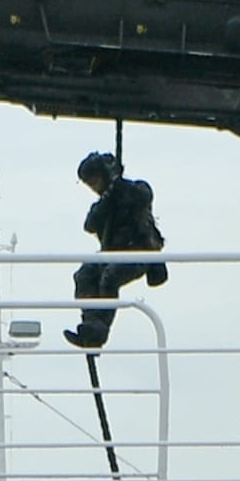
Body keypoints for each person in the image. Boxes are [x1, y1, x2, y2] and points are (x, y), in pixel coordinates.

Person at [68, 149, 167, 351]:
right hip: (112, 255)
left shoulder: (135, 190)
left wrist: (119, 188)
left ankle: (100, 328)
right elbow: (90, 225)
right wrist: (109, 198)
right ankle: (90, 323)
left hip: (139, 254)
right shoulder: (104, 202)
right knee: (84, 274)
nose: (93, 188)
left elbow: (143, 196)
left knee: (109, 277)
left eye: (94, 181)